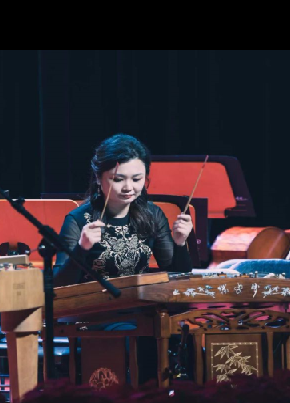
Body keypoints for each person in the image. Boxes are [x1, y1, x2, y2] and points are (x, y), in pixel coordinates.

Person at [53, 134, 194, 385]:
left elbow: (176, 275)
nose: (129, 187)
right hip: (95, 314)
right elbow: (59, 285)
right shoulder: (78, 220)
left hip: (142, 311)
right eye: (118, 179)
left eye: (137, 179)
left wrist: (181, 243)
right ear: (99, 178)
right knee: (139, 337)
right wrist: (82, 248)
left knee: (187, 337)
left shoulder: (152, 214)